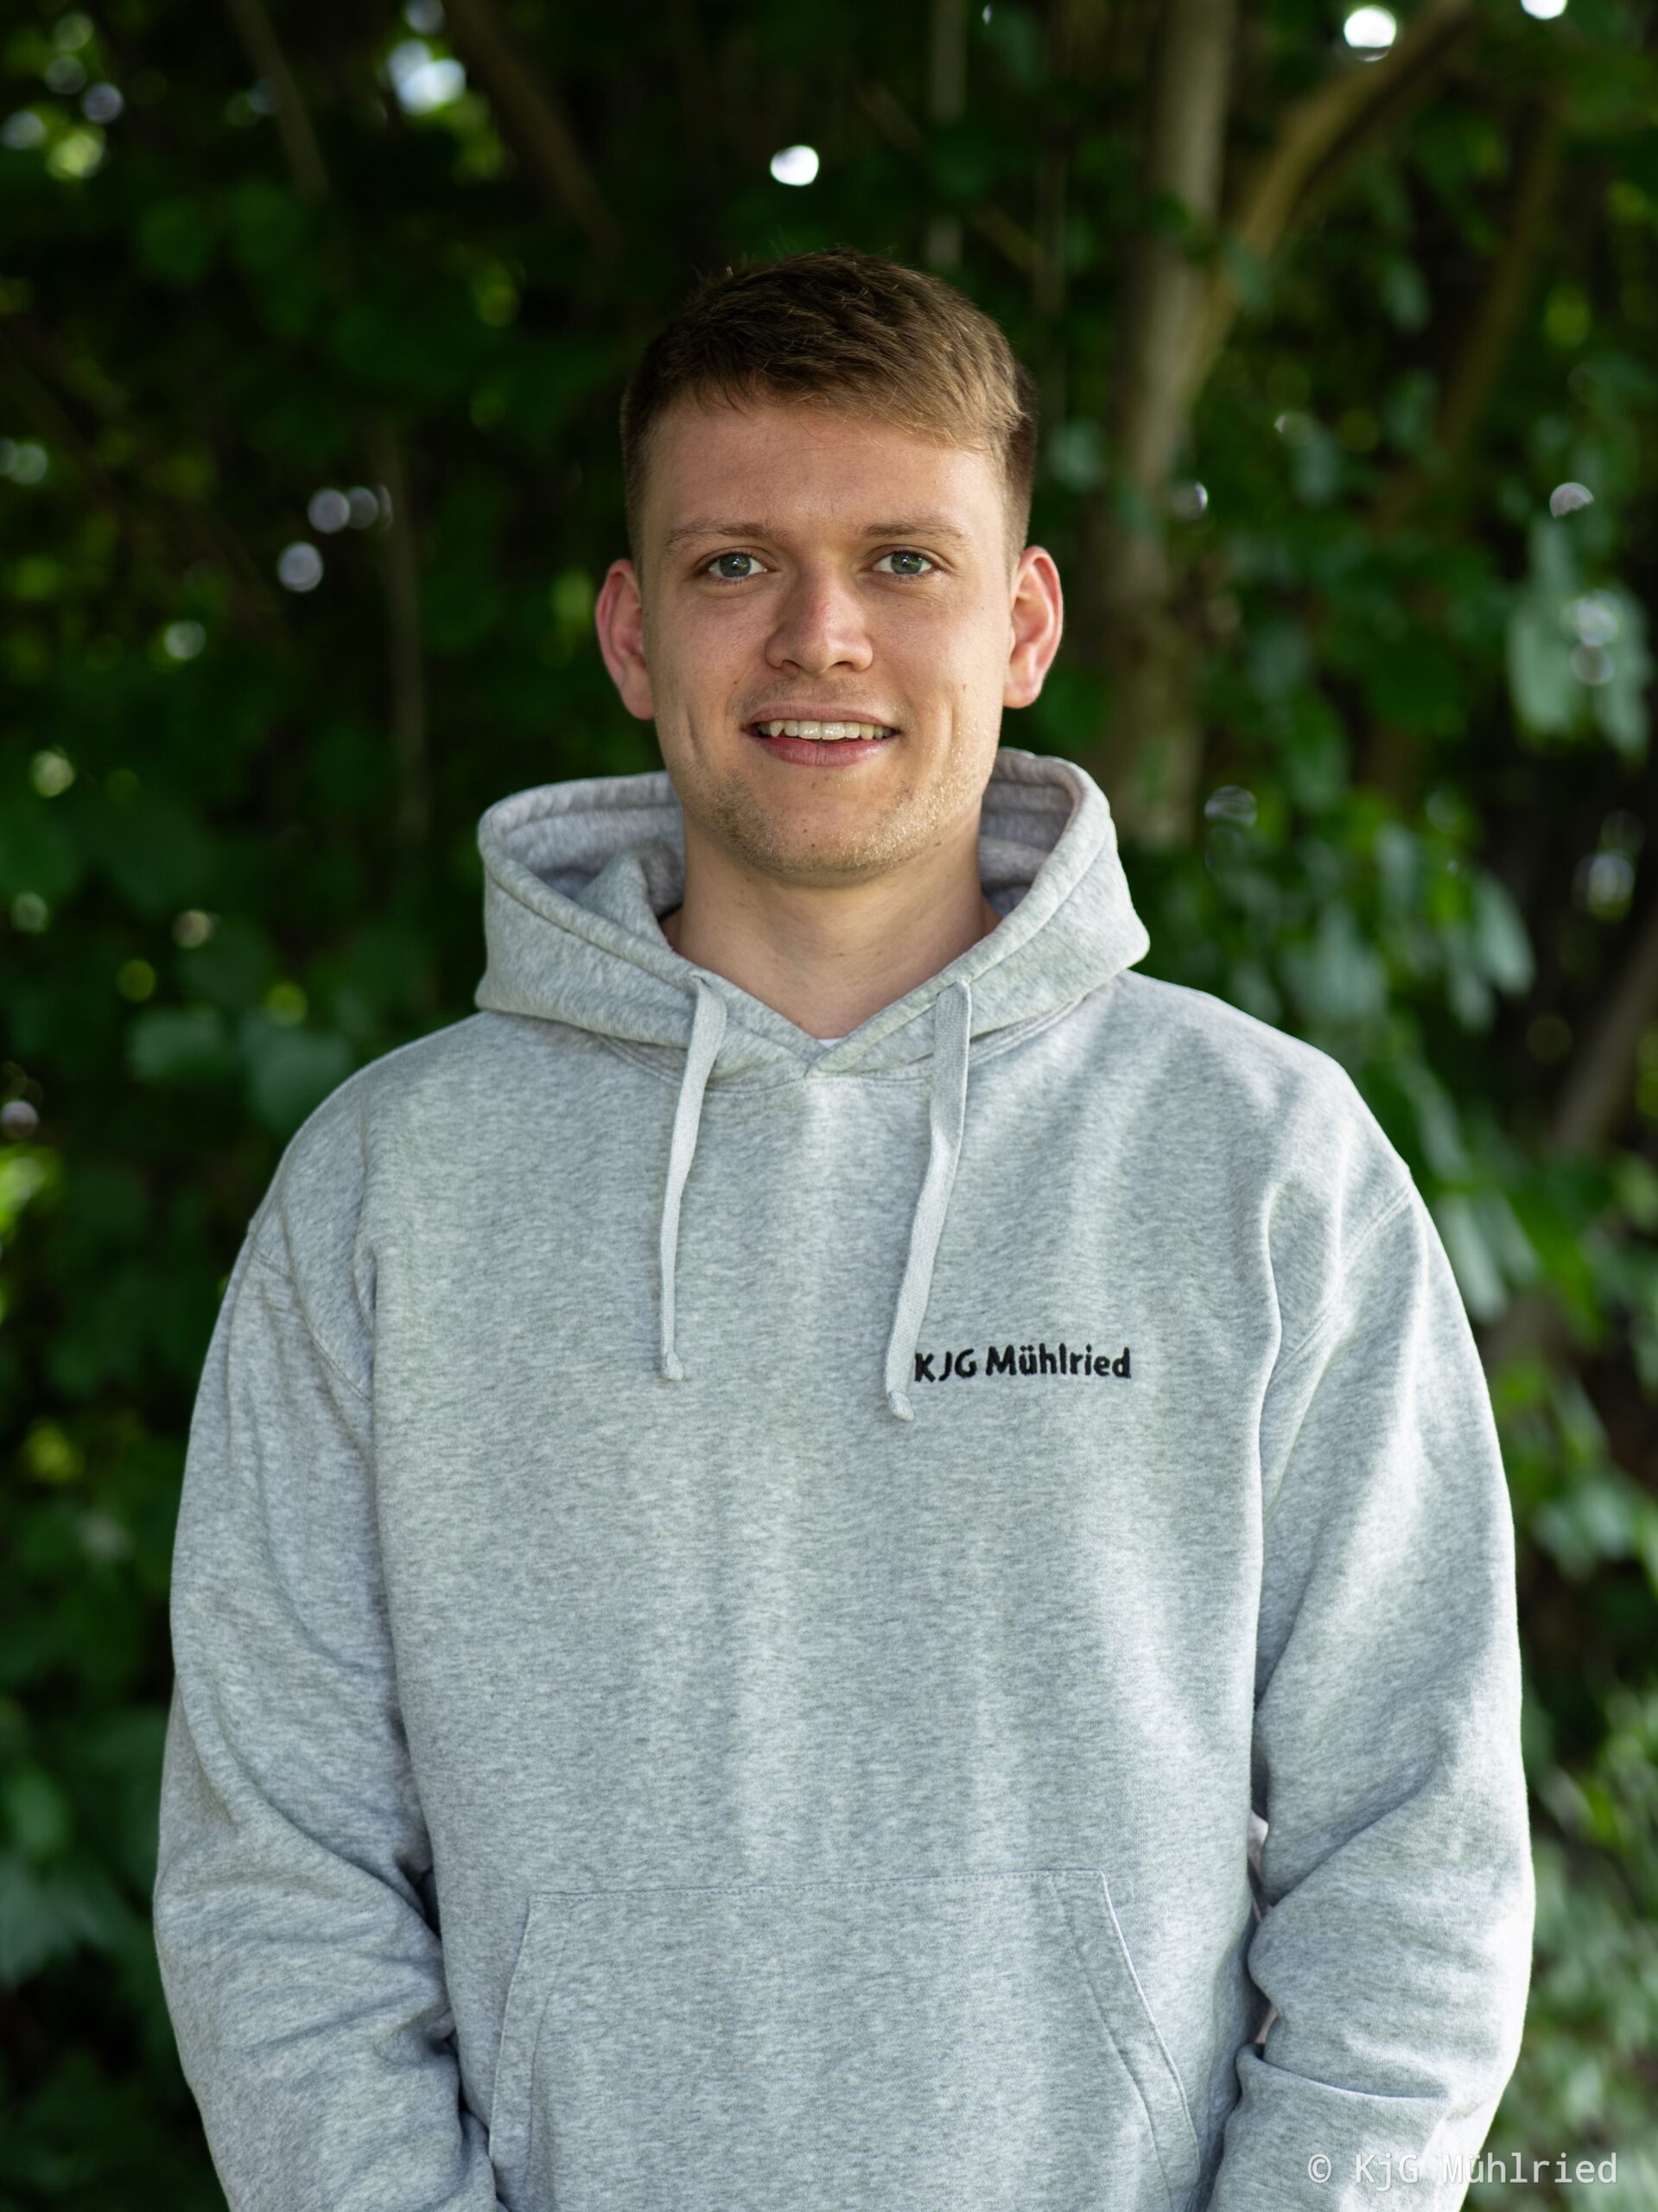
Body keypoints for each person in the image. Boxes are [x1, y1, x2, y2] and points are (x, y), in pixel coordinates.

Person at [152, 247, 1534, 2212]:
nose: (822, 635)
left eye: (904, 559)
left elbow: (1417, 1854)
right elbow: (277, 1881)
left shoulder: (1262, 1161)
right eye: (735, 563)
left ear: (1023, 621)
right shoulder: (391, 1186)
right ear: (632, 633)